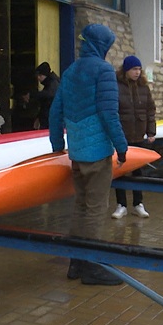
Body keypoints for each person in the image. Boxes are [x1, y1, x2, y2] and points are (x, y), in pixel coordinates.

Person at [49, 24, 129, 286]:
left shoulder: (71, 70)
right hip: (97, 155)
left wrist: (56, 144)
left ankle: (76, 263)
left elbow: (55, 110)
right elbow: (108, 113)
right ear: (102, 45)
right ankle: (92, 268)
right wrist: (121, 146)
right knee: (95, 210)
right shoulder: (104, 70)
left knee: (81, 207)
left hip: (77, 153)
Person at [112, 56, 156, 219]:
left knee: (138, 170)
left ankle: (138, 203)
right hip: (122, 135)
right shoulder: (116, 86)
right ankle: (121, 204)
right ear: (126, 70)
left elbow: (150, 110)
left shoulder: (144, 87)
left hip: (139, 135)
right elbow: (113, 111)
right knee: (120, 170)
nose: (137, 72)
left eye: (139, 69)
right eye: (134, 69)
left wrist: (151, 131)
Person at [34, 62, 60, 129]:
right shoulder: (51, 83)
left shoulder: (53, 84)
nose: (38, 78)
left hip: (51, 121)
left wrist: (34, 95)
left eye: (40, 75)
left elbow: (48, 96)